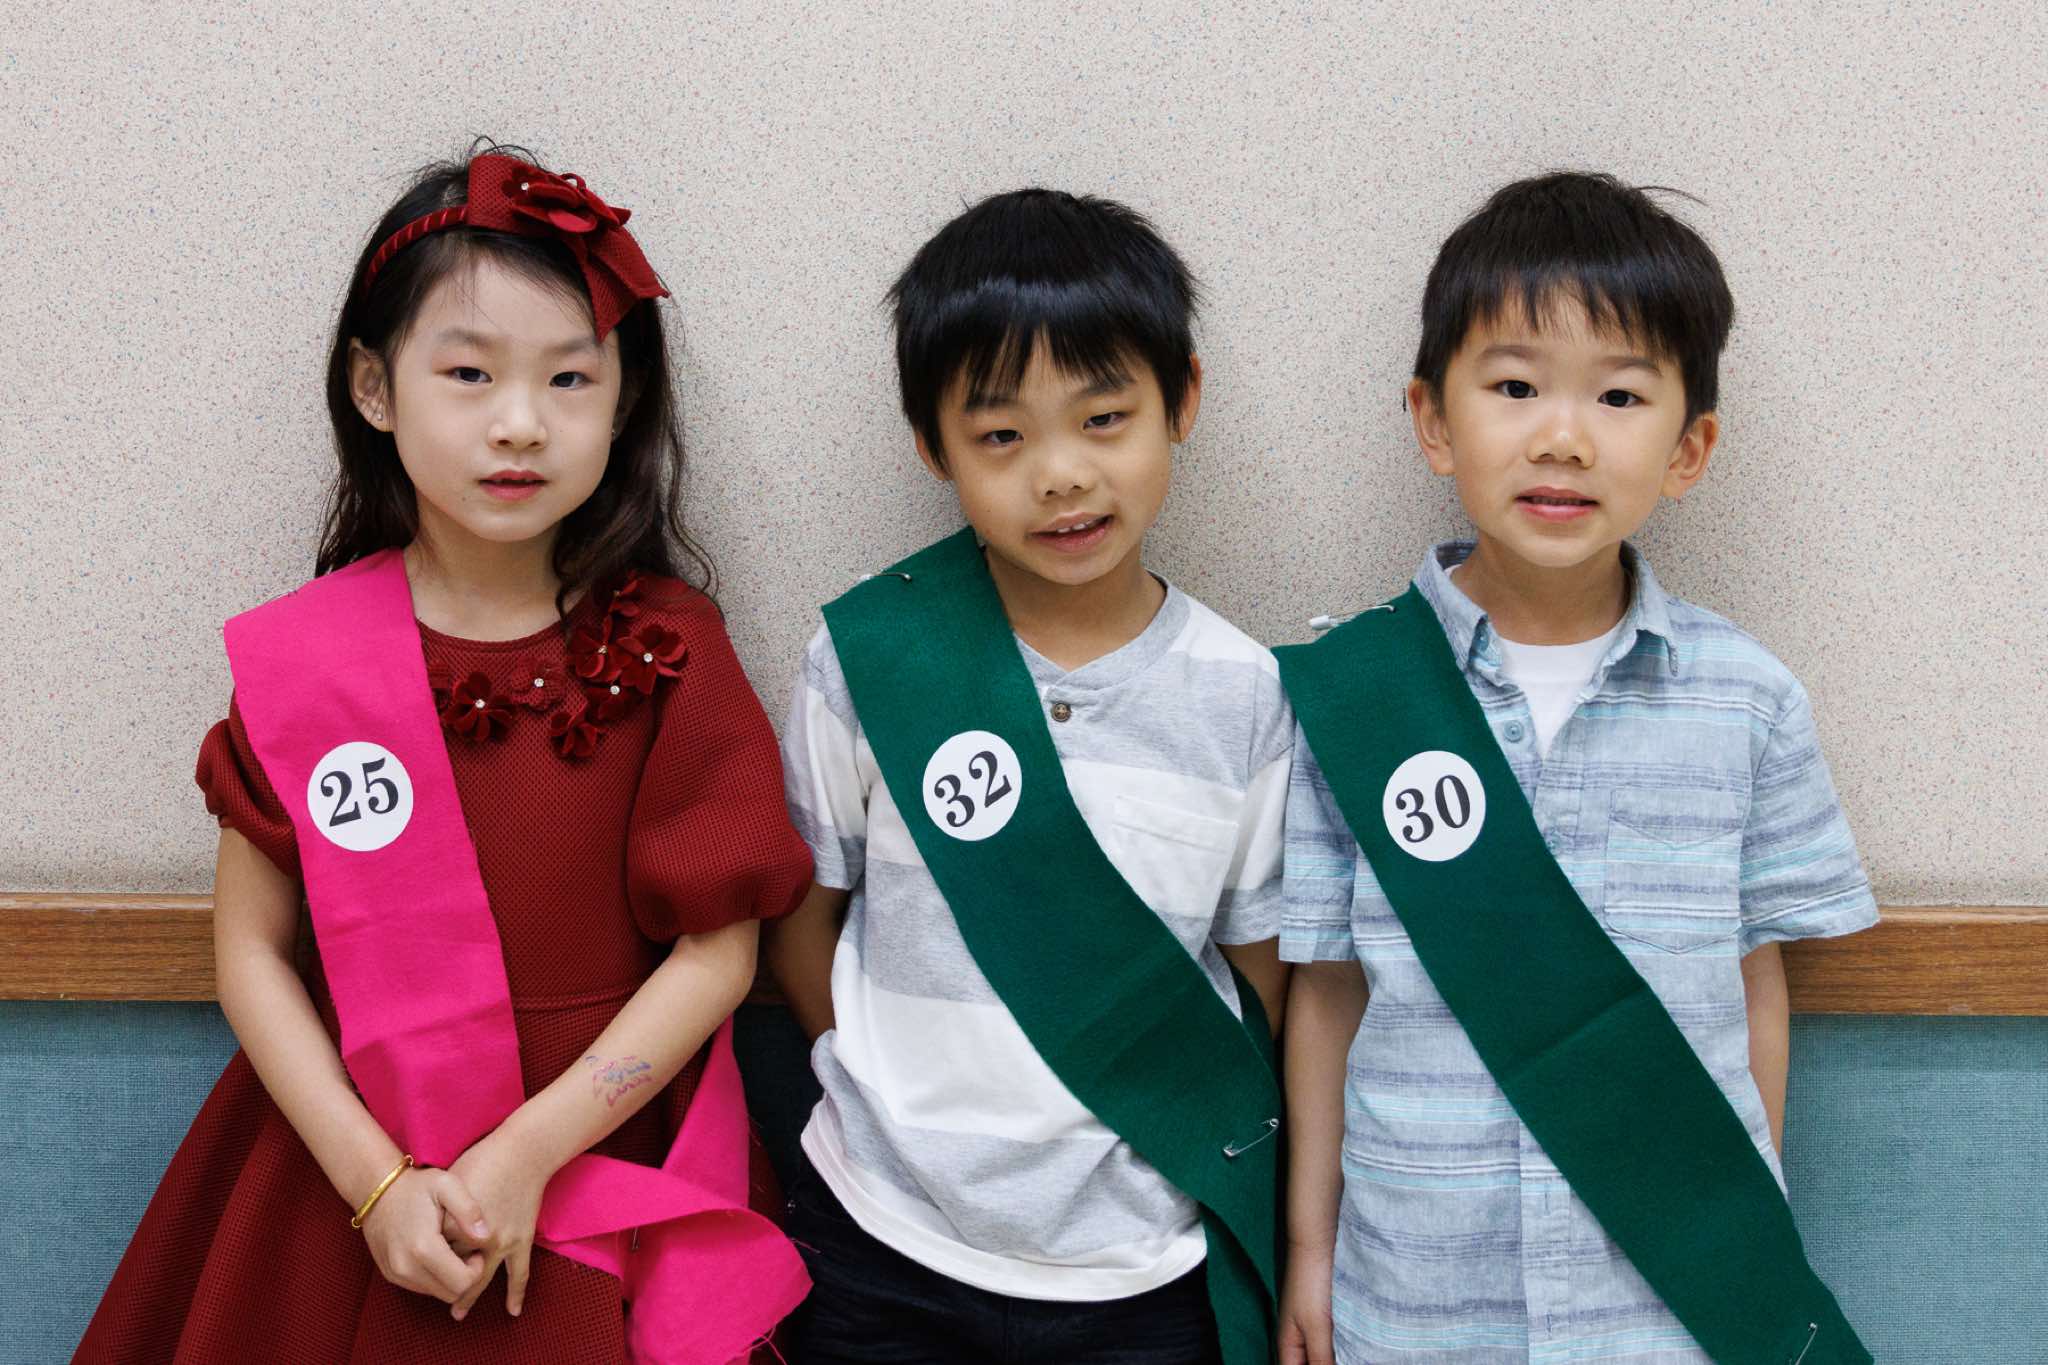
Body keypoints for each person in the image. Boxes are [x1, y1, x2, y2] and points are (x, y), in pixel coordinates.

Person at [75, 143, 811, 1364]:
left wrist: (520, 1156)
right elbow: (250, 951)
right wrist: (374, 1184)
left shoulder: (670, 646)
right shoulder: (308, 661)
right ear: (374, 387)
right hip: (341, 1173)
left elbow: (717, 952)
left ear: (622, 398)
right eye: (467, 373)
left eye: (568, 378)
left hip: (598, 1152)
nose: (519, 423)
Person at [1276, 171, 1879, 1365]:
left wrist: (1743, 1243)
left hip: (1658, 1306)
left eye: (1617, 395)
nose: (1560, 436)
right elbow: (1327, 991)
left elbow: (1752, 984)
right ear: (1432, 421)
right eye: (1512, 387)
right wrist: (1307, 1248)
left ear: (1688, 447)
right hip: (1417, 1296)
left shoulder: (1744, 698)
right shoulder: (1351, 694)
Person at [764, 188, 1292, 1365]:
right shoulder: (867, 659)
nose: (1059, 475)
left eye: (1103, 419)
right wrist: (899, 1108)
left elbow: (1256, 982)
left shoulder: (1245, 695)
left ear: (1181, 402)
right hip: (878, 1236)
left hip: (1141, 1265)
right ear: (932, 446)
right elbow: (803, 922)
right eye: (1000, 437)